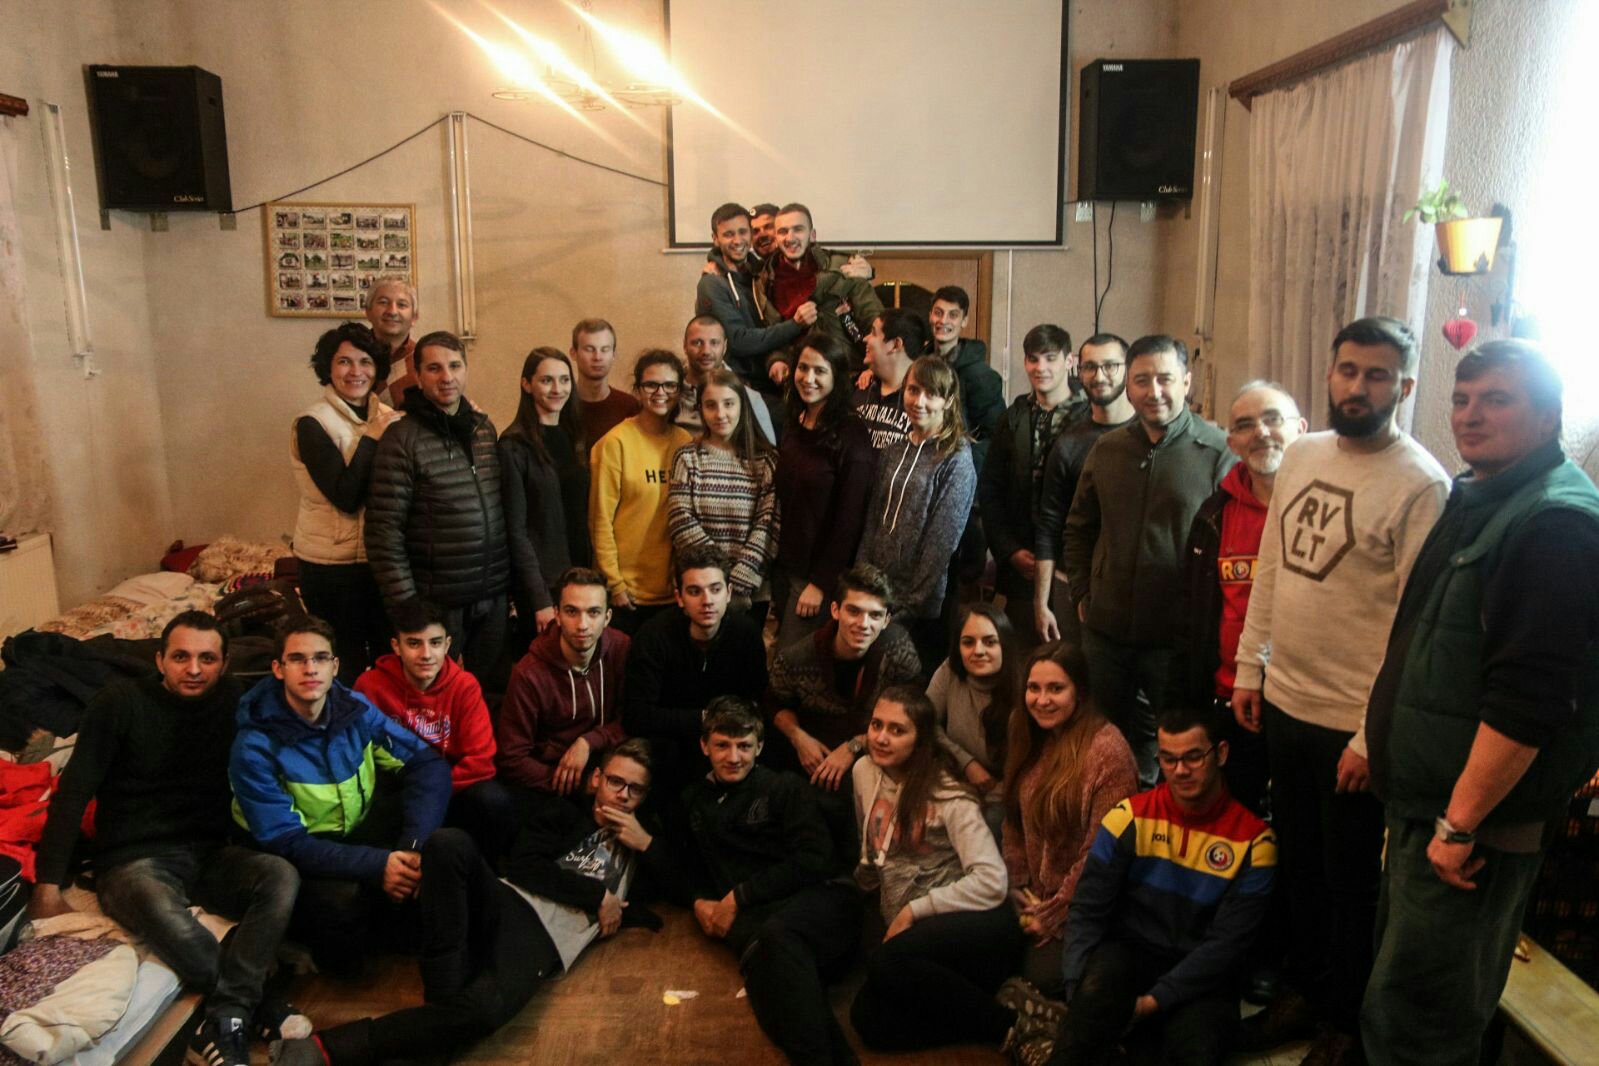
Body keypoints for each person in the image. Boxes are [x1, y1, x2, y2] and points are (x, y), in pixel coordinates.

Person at [1360, 339, 1599, 1065]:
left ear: (1548, 418)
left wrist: (1458, 824)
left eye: (1496, 400)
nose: (1469, 415)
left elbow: (1528, 703)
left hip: (1472, 835)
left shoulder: (1555, 524)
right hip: (1431, 810)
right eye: (1461, 400)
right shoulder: (1481, 495)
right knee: (1396, 1005)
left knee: (1422, 1029)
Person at [1230, 316, 1449, 1065]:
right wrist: (1251, 666)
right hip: (1284, 701)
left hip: (1353, 725)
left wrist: (1369, 735)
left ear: (1404, 386)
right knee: (1297, 865)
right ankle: (1303, 989)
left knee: (1350, 882)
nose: (1358, 387)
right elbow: (1272, 564)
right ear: (1328, 374)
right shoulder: (1303, 453)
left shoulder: (1421, 484)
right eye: (1347, 370)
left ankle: (1343, 1023)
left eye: (1376, 375)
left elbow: (1416, 628)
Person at [272, 740, 672, 1066]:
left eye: (634, 789)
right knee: (448, 843)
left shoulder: (643, 841)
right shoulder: (564, 814)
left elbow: (682, 884)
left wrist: (646, 844)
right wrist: (597, 895)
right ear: (596, 780)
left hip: (541, 939)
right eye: (615, 782)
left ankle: (331, 1047)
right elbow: (525, 866)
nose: (623, 795)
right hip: (505, 900)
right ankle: (442, 1015)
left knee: (482, 1012)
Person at [30, 612, 306, 1066]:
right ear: (159, 660)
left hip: (210, 851)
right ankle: (257, 1006)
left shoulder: (233, 701)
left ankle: (229, 1012)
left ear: (224, 665)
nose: (193, 669)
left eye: (206, 659)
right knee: (167, 916)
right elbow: (74, 791)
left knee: (279, 875)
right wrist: (47, 882)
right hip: (133, 858)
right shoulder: (119, 703)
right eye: (181, 657)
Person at [1034, 706, 1277, 1066]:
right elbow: (1087, 909)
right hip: (1130, 954)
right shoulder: (1127, 818)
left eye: (1193, 757)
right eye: (1169, 759)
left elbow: (1226, 947)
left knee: (1196, 1051)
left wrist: (1152, 1003)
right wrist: (1077, 992)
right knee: (1085, 1022)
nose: (1180, 770)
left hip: (1202, 974)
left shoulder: (1256, 842)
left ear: (1221, 754)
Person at [229, 617, 451, 977]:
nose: (310, 669)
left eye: (320, 658)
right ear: (278, 669)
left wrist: (412, 848)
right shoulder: (254, 745)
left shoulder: (355, 709)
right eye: (297, 659)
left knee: (443, 831)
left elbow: (426, 763)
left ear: (335, 666)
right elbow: (286, 842)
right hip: (297, 853)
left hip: (353, 827)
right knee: (347, 942)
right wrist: (378, 864)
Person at [1061, 334, 1234, 785]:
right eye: (1142, 380)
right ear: (1128, 385)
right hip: (1105, 634)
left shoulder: (1217, 451)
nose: (1154, 391)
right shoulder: (1109, 449)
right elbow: (1078, 527)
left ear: (1186, 382)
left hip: (1175, 643)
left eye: (1165, 379)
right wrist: (1082, 591)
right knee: (1101, 748)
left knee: (1180, 756)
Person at [671, 698, 862, 1066]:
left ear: (759, 747)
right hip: (762, 934)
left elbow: (816, 859)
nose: (734, 757)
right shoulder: (693, 802)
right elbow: (685, 867)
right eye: (723, 745)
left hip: (824, 906)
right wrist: (698, 900)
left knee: (777, 943)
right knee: (781, 1005)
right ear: (704, 746)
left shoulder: (784, 787)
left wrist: (740, 896)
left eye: (744, 746)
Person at [848, 685, 1019, 1053]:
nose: (881, 737)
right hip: (918, 941)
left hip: (974, 923)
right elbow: (873, 851)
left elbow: (992, 881)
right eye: (877, 725)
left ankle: (1011, 1026)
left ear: (920, 740)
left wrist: (913, 910)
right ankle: (993, 1005)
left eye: (897, 730)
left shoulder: (947, 793)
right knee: (867, 1020)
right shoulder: (863, 771)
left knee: (886, 963)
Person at [1176, 381, 1307, 815]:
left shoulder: (1326, 510)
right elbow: (1193, 613)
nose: (1261, 432)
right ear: (1231, 443)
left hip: (1305, 705)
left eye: (1273, 419)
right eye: (1246, 425)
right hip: (1231, 700)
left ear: (1301, 429)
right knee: (1235, 818)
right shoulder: (1214, 515)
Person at [365, 331, 510, 677]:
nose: (447, 377)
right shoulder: (401, 438)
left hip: (491, 595)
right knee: (435, 699)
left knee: (490, 693)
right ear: (417, 375)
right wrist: (407, 607)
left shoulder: (483, 429)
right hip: (437, 604)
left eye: (455, 366)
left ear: (466, 369)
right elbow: (383, 533)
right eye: (434, 368)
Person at [1002, 641, 1138, 996]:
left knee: (1041, 977)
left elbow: (1100, 854)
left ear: (1080, 691)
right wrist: (1018, 887)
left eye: (1056, 689)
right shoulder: (1026, 730)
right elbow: (1013, 818)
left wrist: (1052, 914)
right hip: (1032, 896)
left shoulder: (1108, 752)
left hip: (1083, 905)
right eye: (1034, 688)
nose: (1042, 700)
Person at [354, 601, 514, 859]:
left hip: (453, 787)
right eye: (414, 643)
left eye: (435, 643)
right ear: (396, 646)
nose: (426, 654)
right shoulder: (370, 686)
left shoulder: (464, 686)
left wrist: (431, 794)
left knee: (492, 798)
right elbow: (360, 755)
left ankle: (489, 869)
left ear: (447, 645)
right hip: (398, 790)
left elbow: (481, 762)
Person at [291, 322, 401, 684]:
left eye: (365, 361)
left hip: (378, 561)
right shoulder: (311, 423)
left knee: (388, 663)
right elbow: (346, 496)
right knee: (344, 664)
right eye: (344, 361)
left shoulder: (389, 418)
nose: (356, 371)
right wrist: (371, 438)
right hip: (329, 567)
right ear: (328, 367)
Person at [855, 354, 977, 672]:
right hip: (877, 592)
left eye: (931, 393)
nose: (918, 401)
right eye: (912, 390)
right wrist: (862, 579)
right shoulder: (894, 450)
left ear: (948, 401)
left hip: (921, 608)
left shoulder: (956, 459)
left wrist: (909, 605)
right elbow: (873, 518)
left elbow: (941, 542)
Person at [622, 544, 768, 797]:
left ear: (728, 593)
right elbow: (637, 716)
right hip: (671, 742)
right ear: (679, 597)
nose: (707, 601)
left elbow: (755, 702)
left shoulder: (746, 634)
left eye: (715, 589)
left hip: (728, 738)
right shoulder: (653, 636)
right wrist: (703, 718)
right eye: (694, 591)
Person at [766, 564, 922, 793]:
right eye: (854, 611)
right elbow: (773, 703)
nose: (863, 624)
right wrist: (798, 737)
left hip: (876, 753)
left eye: (875, 615)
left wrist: (856, 745)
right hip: (813, 761)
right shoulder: (797, 658)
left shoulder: (898, 648)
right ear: (835, 610)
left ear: (887, 620)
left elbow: (915, 713)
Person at [980, 324, 1087, 646]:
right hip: (1021, 565)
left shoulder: (1090, 417)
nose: (1041, 367)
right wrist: (1009, 550)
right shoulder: (1013, 417)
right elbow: (991, 490)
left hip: (1073, 568)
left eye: (1050, 358)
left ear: (1069, 361)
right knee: (1021, 658)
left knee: (1069, 658)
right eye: (1033, 359)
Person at [771, 332, 879, 643]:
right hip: (784, 566)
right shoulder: (795, 421)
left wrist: (820, 583)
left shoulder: (852, 435)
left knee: (792, 661)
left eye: (820, 371)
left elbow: (850, 519)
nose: (808, 378)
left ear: (837, 376)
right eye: (803, 368)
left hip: (816, 578)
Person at [1034, 333, 1135, 644]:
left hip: (1131, 589)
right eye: (1090, 367)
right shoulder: (1068, 444)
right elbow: (1049, 525)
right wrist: (1041, 602)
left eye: (1110, 366)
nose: (1099, 376)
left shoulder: (1148, 436)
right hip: (1071, 586)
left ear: (1128, 369)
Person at [496, 567, 630, 799]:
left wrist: (587, 742)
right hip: (551, 779)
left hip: (609, 764)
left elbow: (631, 719)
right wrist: (575, 785)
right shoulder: (529, 674)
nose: (582, 625)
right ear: (556, 615)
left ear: (607, 617)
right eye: (571, 611)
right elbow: (511, 758)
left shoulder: (621, 648)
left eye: (593, 612)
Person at [589, 349, 695, 635]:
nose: (660, 393)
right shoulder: (615, 444)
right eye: (651, 385)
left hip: (674, 593)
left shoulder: (685, 442)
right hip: (628, 595)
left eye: (670, 385)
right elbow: (600, 521)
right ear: (637, 389)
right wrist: (615, 584)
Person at [667, 366, 780, 621]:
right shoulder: (687, 457)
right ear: (700, 409)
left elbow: (769, 524)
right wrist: (717, 580)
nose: (720, 414)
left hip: (751, 591)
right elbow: (680, 521)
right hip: (700, 592)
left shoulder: (765, 460)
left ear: (742, 406)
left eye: (729, 404)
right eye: (711, 405)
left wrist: (738, 580)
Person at [499, 347, 591, 648]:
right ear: (527, 384)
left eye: (564, 380)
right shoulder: (514, 445)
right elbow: (516, 530)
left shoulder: (574, 436)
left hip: (580, 576)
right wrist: (539, 598)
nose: (557, 389)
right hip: (542, 584)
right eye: (546, 380)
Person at [753, 203, 883, 385]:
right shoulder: (763, 282)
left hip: (848, 376)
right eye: (783, 231)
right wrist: (776, 360)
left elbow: (875, 321)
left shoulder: (844, 267)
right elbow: (771, 335)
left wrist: (875, 366)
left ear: (812, 235)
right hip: (800, 380)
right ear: (776, 237)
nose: (790, 238)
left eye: (798, 229)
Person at [695, 204, 813, 390]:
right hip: (738, 384)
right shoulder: (712, 284)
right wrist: (795, 324)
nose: (737, 240)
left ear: (750, 236)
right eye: (728, 234)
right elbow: (738, 341)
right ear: (715, 239)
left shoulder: (761, 274)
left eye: (743, 232)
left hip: (776, 375)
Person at [928, 602, 1021, 824]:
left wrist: (993, 792)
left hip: (1005, 792)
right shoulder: (950, 670)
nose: (978, 651)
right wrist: (967, 763)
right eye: (968, 642)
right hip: (955, 777)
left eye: (990, 642)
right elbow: (925, 722)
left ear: (1005, 645)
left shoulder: (1025, 686)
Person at [927, 285, 1004, 470]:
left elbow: (997, 436)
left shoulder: (980, 376)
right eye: (938, 313)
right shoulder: (920, 363)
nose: (943, 321)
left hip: (958, 470)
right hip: (923, 465)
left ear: (964, 321)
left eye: (953, 315)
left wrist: (963, 464)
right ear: (930, 315)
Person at [676, 314, 781, 445]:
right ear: (685, 346)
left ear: (725, 347)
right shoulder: (669, 393)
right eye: (697, 343)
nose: (706, 351)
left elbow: (767, 452)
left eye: (714, 343)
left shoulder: (750, 398)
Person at [852, 307, 924, 449]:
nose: (865, 338)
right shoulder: (859, 386)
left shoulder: (924, 401)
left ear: (896, 344)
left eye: (873, 333)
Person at [570, 318, 640, 445]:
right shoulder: (560, 405)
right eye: (589, 349)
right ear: (574, 353)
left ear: (613, 354)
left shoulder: (629, 407)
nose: (597, 357)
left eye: (605, 349)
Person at [365, 277, 418, 404]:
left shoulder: (423, 358)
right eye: (383, 302)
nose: (392, 311)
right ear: (368, 312)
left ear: (414, 317)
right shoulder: (351, 355)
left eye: (402, 305)